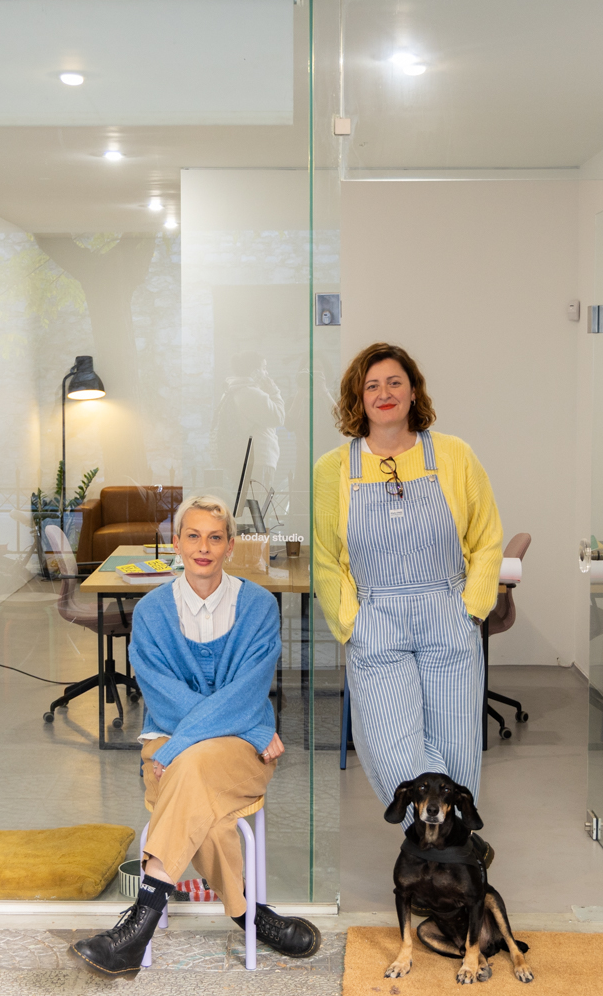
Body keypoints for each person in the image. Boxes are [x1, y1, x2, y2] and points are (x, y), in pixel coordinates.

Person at [70, 494, 321, 979]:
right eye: (193, 536)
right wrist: (251, 723)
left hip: (210, 752)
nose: (203, 547)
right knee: (203, 796)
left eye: (215, 537)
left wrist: (199, 738)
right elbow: (163, 700)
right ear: (176, 543)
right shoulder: (151, 612)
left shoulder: (259, 607)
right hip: (208, 741)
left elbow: (249, 691)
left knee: (191, 767)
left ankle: (136, 927)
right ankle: (251, 916)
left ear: (230, 546)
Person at [311, 343, 503, 854]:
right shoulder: (333, 469)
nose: (384, 393)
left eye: (394, 382)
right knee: (394, 748)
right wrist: (350, 622)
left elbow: (487, 539)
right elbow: (325, 558)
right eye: (371, 385)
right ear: (358, 399)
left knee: (457, 747)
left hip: (447, 611)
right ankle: (446, 848)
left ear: (413, 391)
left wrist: (471, 609)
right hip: (375, 617)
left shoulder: (454, 455)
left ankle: (454, 858)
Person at [212, 351, 286, 496]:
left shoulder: (232, 390)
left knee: (245, 504)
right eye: (264, 368)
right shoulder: (250, 393)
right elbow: (279, 417)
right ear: (255, 371)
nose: (267, 373)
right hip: (258, 460)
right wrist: (274, 391)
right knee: (257, 505)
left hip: (242, 459)